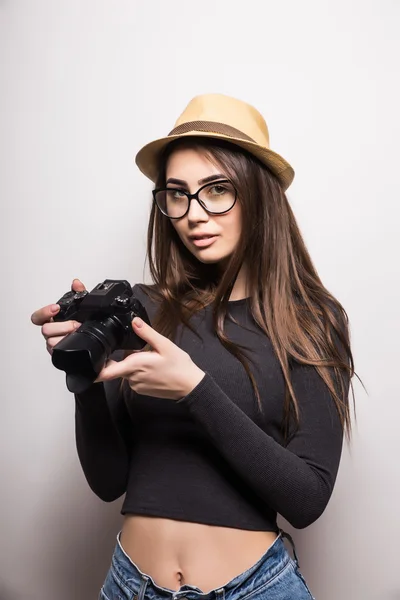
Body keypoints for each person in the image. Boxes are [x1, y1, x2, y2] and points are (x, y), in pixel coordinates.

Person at [31, 93, 354, 600]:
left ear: (259, 195)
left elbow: (307, 498)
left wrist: (194, 389)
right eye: (177, 194)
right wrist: (85, 381)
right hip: (129, 585)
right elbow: (109, 481)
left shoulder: (312, 321)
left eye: (217, 189)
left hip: (256, 589)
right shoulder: (141, 310)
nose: (193, 214)